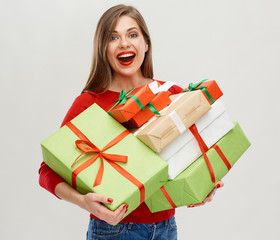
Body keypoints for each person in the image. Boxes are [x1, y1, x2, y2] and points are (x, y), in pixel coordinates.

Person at [39, 4, 223, 240]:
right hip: (112, 231)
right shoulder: (89, 103)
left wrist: (205, 185)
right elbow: (47, 171)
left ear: (146, 44)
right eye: (113, 37)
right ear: (103, 49)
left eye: (132, 34)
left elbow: (195, 155)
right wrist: (84, 202)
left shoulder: (172, 94)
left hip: (166, 227)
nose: (124, 43)